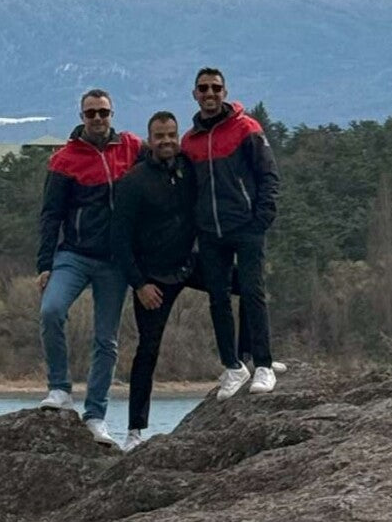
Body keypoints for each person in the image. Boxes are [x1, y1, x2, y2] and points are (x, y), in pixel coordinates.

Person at [112, 110, 250, 451]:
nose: (166, 142)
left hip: (190, 264)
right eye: (159, 136)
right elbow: (118, 241)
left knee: (249, 285)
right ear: (150, 139)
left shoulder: (188, 170)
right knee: (148, 351)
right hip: (153, 280)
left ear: (178, 136)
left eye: (171, 135)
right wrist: (139, 284)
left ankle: (245, 359)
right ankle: (134, 431)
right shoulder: (133, 182)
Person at [37, 89, 142, 446]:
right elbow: (50, 216)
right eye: (91, 113)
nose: (98, 119)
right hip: (74, 255)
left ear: (113, 114)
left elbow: (162, 167)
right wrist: (44, 263)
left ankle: (95, 416)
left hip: (115, 262)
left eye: (104, 112)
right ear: (81, 116)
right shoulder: (64, 160)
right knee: (51, 310)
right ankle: (59, 389)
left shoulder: (131, 148)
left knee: (106, 340)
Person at [181, 67, 285, 400]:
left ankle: (264, 364)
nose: (209, 93)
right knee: (218, 299)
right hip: (210, 232)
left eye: (215, 88)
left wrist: (261, 219)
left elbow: (269, 175)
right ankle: (233, 365)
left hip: (246, 226)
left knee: (253, 292)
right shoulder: (190, 141)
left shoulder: (246, 128)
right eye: (203, 88)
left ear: (224, 92)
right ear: (194, 94)